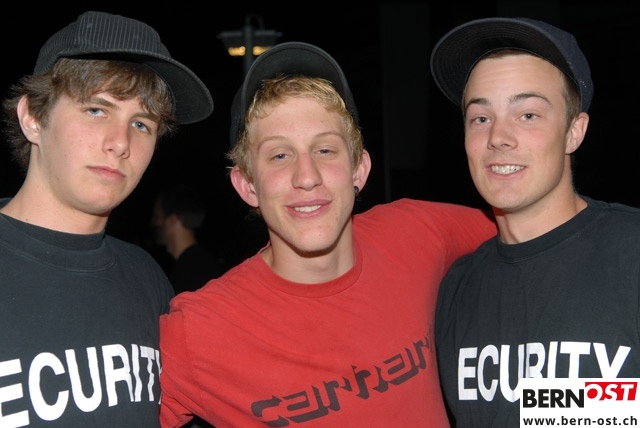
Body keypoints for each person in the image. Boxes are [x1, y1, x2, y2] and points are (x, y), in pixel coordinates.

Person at [158, 41, 497, 428]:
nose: (307, 177)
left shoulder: (417, 232)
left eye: (325, 150)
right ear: (248, 186)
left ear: (359, 170)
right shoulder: (199, 332)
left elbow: (535, 232)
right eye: (280, 155)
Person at [0, 11, 213, 427]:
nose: (120, 143)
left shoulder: (146, 278)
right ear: (34, 118)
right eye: (97, 110)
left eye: (141, 123)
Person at [430, 17, 640, 427]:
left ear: (574, 132)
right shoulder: (457, 289)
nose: (498, 137)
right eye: (480, 118)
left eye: (527, 115)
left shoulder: (631, 253)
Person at [151, 184, 224, 294]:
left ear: (172, 220)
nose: (154, 223)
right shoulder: (197, 264)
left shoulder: (193, 271)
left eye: (157, 216)